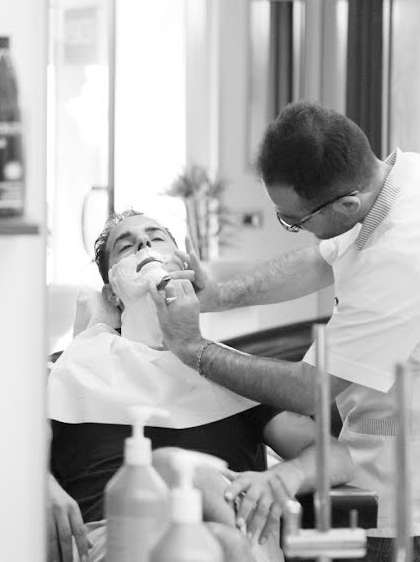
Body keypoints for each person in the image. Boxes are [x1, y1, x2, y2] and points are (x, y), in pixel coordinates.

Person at [148, 102, 420, 561]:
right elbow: (321, 257)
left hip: (414, 492)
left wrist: (193, 348)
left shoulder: (405, 259)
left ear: (346, 204)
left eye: (294, 221)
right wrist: (217, 296)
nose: (293, 230)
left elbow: (310, 390)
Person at [46, 210, 355, 562]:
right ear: (113, 294)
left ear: (186, 269)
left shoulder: (231, 370)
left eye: (156, 237)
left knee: (200, 500)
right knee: (174, 470)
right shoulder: (70, 370)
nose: (145, 244)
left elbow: (339, 458)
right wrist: (42, 484)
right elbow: (8, 447)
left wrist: (286, 477)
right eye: (127, 245)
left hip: (229, 534)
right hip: (118, 541)